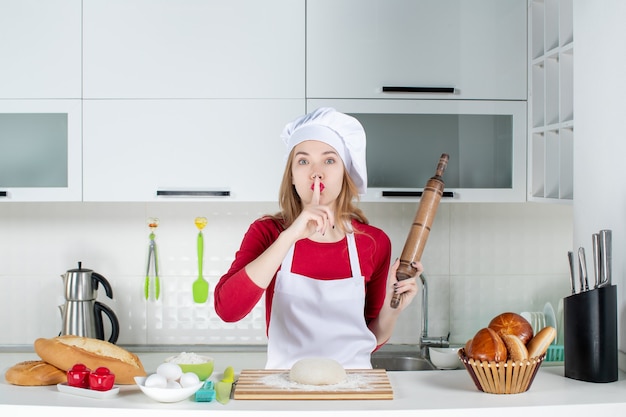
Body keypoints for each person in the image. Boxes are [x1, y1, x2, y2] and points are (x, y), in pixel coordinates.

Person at [214, 107, 421, 369]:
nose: (316, 172)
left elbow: (368, 338)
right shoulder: (268, 232)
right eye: (303, 161)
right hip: (286, 392)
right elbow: (227, 310)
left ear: (345, 174)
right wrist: (290, 236)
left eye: (329, 160)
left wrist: (393, 310)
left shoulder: (373, 242)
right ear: (291, 175)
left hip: (353, 391)